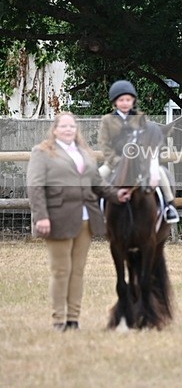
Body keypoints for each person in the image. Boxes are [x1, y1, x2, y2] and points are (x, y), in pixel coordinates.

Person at [27, 112, 131, 331]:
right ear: (54, 129)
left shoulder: (85, 154)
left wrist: (116, 195)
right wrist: (41, 217)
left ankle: (73, 319)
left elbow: (97, 184)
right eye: (63, 126)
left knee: (78, 271)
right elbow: (35, 187)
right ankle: (58, 320)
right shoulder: (42, 153)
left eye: (72, 126)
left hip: (86, 220)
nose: (68, 130)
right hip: (57, 219)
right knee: (61, 270)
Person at [98, 80, 179, 223]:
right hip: (114, 161)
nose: (125, 103)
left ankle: (169, 206)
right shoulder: (107, 120)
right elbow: (104, 144)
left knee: (160, 172)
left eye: (128, 100)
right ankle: (96, 209)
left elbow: (148, 139)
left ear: (133, 101)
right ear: (115, 102)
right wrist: (114, 160)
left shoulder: (140, 118)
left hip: (139, 160)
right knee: (97, 176)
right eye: (121, 100)